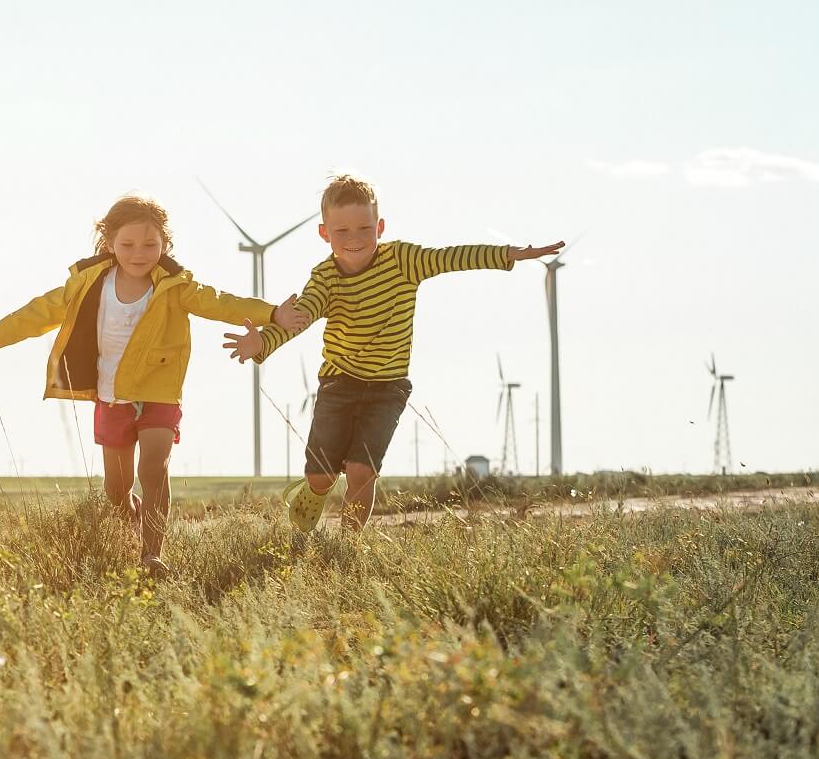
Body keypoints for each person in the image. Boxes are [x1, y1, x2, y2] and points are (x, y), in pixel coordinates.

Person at [0, 192, 309, 575]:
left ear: (165, 245)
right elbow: (38, 311)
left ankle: (152, 553)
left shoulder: (175, 287)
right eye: (128, 244)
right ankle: (135, 522)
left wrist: (271, 312)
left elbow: (222, 302)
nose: (140, 253)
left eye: (151, 245)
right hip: (111, 397)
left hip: (159, 394)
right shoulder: (88, 283)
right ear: (110, 244)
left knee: (153, 470)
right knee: (116, 492)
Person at [222, 174, 564, 532]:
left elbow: (452, 258)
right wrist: (262, 342)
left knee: (361, 471)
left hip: (388, 388)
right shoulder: (324, 277)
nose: (354, 239)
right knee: (321, 476)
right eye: (342, 231)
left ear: (380, 227)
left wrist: (508, 254)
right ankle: (314, 491)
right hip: (338, 383)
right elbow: (301, 316)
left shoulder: (403, 260)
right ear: (324, 233)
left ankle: (348, 542)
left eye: (363, 228)